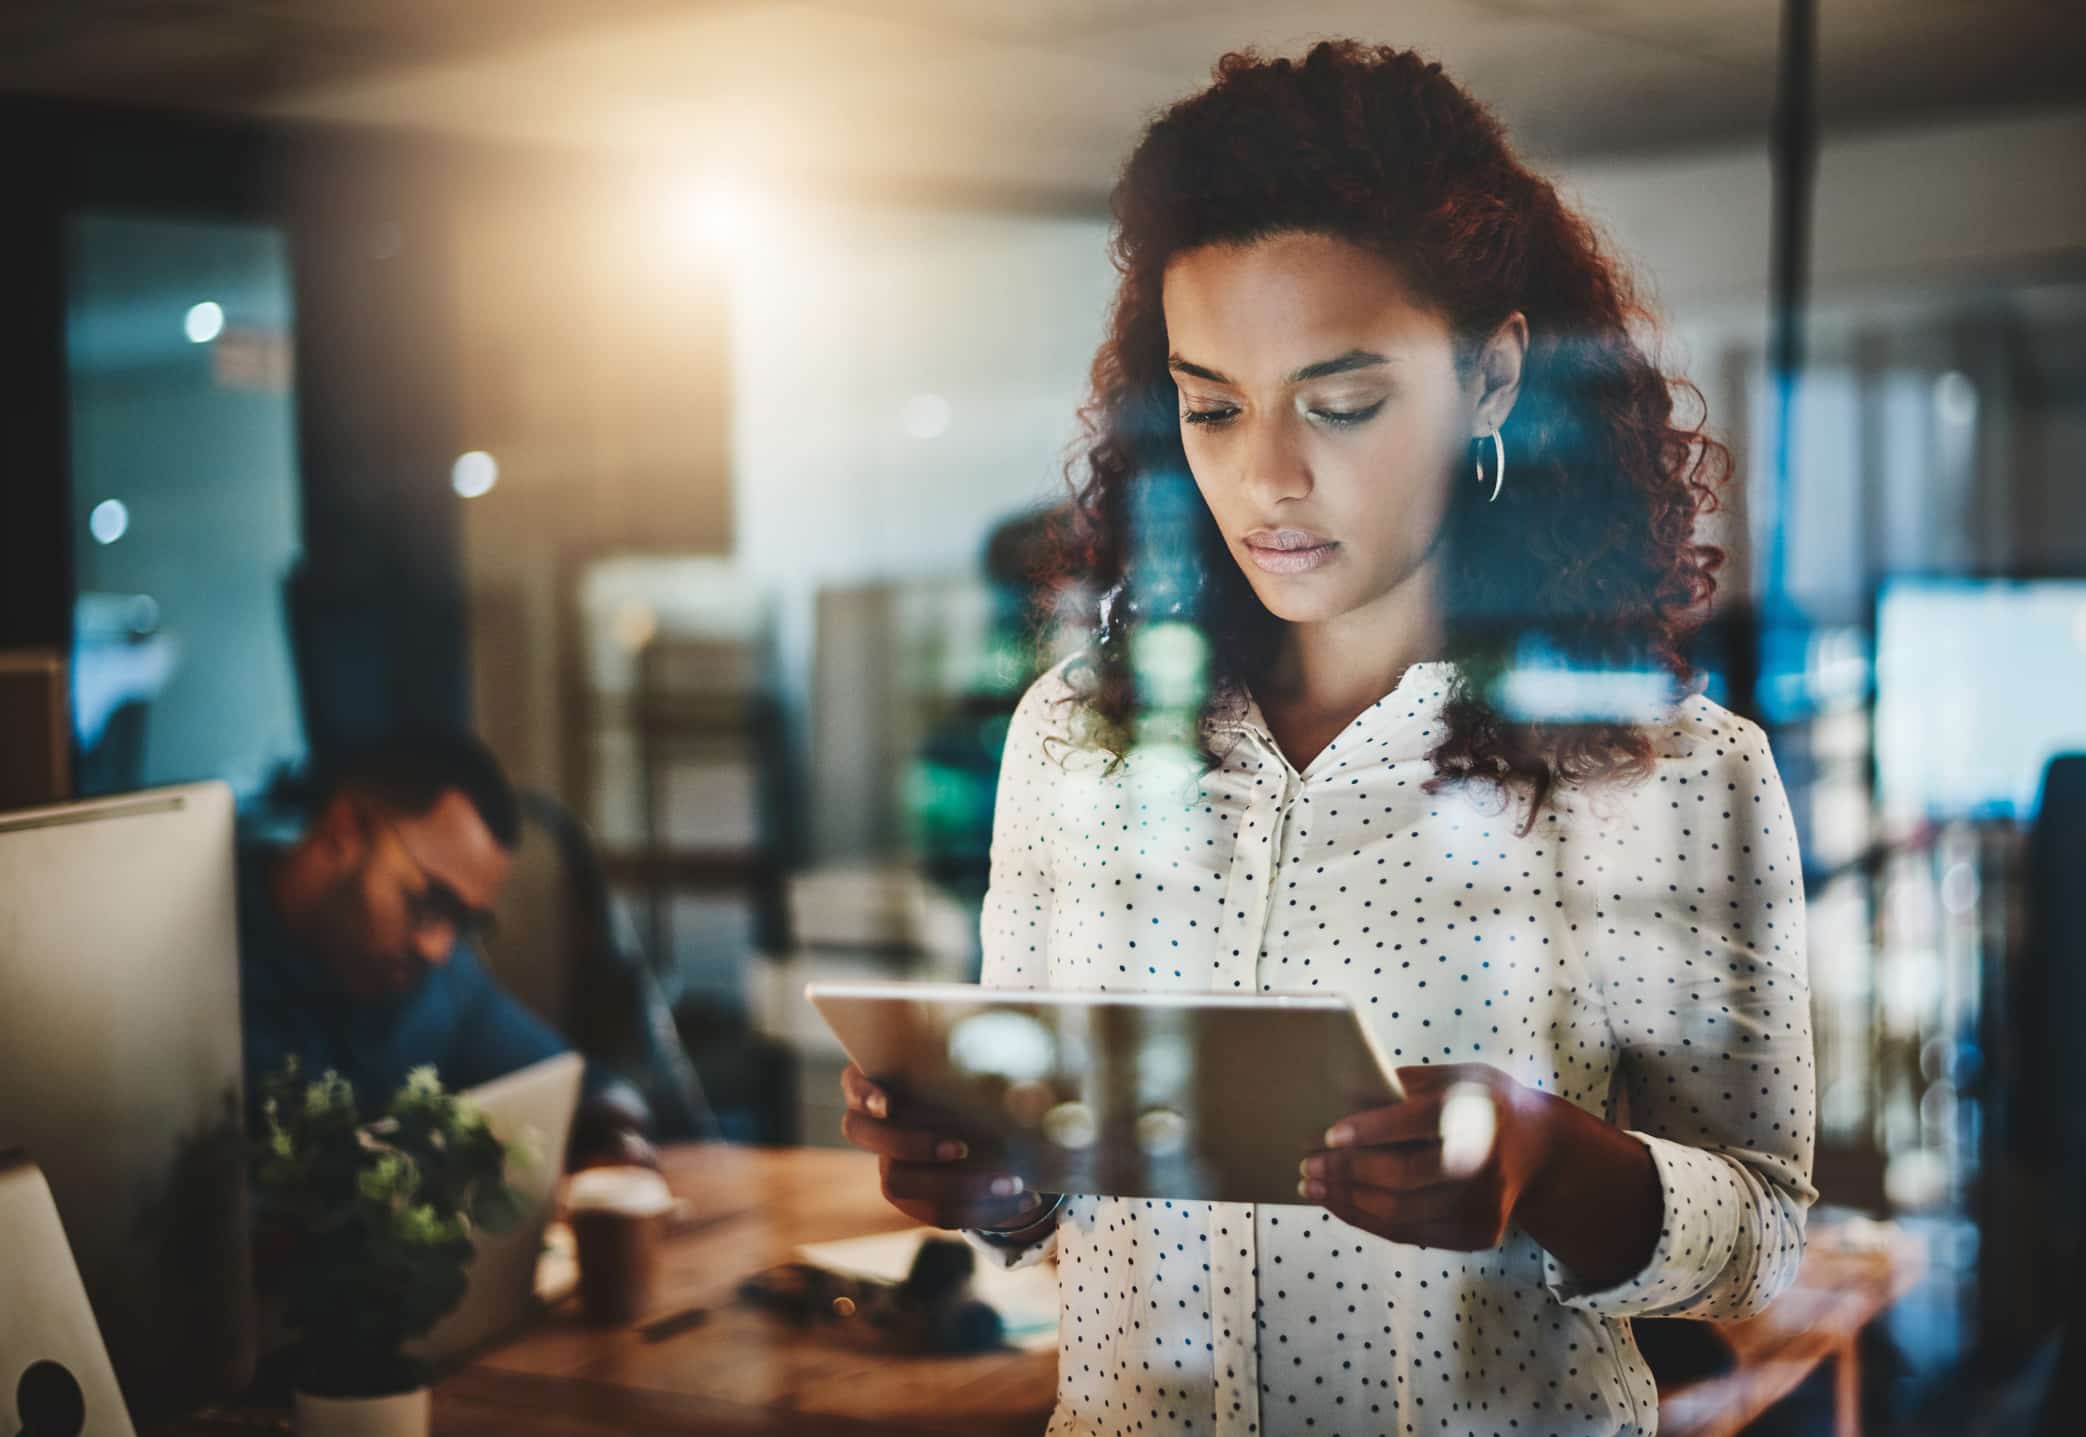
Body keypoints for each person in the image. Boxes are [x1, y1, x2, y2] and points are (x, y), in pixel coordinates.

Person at [838, 40, 1815, 1436]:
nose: (1265, 477)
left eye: (1341, 402)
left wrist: (1551, 1160)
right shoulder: (1074, 741)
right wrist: (986, 1178)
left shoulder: (1670, 772)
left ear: (1490, 381)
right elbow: (1053, 1194)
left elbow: (1763, 1236)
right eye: (1210, 405)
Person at [239, 733, 652, 1168]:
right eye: (430, 902)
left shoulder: (438, 982)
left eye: (464, 922)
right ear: (345, 829)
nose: (436, 949)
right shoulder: (205, 961)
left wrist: (618, 1132)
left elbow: (583, 1086)